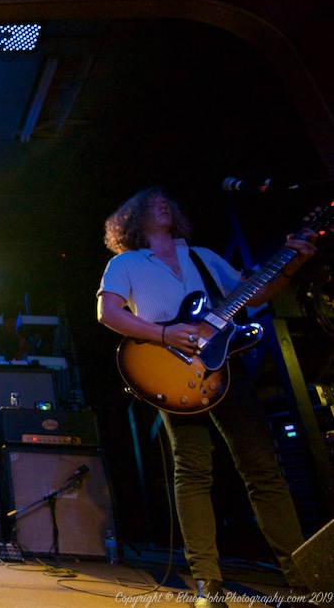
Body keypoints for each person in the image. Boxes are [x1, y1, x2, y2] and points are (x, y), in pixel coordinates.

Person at [96, 187, 315, 608]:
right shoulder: (124, 263)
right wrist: (163, 333)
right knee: (193, 471)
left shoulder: (204, 256)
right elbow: (109, 313)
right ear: (133, 218)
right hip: (173, 370)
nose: (162, 202)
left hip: (227, 370)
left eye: (167, 200)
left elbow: (254, 293)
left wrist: (289, 266)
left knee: (264, 471)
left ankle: (303, 577)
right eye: (150, 201)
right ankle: (208, 584)